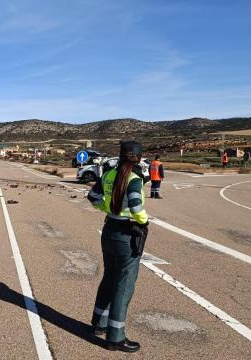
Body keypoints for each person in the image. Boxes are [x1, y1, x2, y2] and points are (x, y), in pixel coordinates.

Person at [87, 141, 149, 352]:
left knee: (109, 278)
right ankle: (115, 337)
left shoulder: (109, 174)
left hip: (109, 230)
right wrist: (142, 220)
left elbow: (93, 196)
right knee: (124, 285)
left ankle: (99, 324)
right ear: (139, 157)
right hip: (126, 233)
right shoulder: (134, 177)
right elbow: (135, 204)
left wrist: (108, 208)